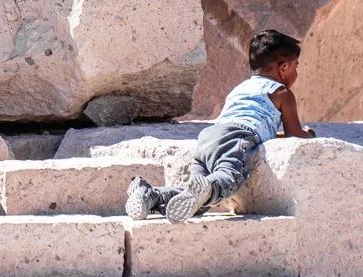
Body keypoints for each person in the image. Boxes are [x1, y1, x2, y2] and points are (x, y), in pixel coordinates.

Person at [126, 29, 315, 222]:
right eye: (295, 66)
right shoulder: (282, 93)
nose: (296, 72)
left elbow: (253, 126)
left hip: (209, 139)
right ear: (283, 69)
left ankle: (148, 195)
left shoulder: (241, 89)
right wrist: (308, 135)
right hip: (237, 138)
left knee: (197, 200)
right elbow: (295, 136)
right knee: (226, 180)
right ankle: (203, 187)